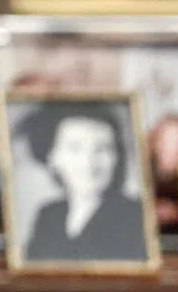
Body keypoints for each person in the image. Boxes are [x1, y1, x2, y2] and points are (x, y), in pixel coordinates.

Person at [19, 102, 148, 263]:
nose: (89, 162)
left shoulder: (136, 215)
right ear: (52, 157)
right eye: (75, 148)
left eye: (103, 149)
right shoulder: (48, 215)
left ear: (117, 157)